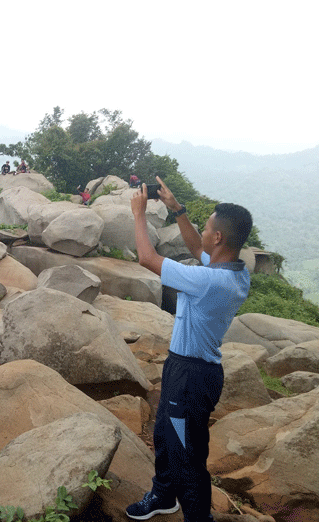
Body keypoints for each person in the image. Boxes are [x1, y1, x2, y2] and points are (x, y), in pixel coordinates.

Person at [127, 176, 253, 522]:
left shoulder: (209, 281)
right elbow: (199, 249)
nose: (204, 232)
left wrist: (139, 213)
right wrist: (177, 209)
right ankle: (164, 496)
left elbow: (146, 258)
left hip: (191, 376)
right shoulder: (234, 272)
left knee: (188, 457)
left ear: (219, 238)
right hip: (186, 368)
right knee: (167, 436)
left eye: (208, 227)